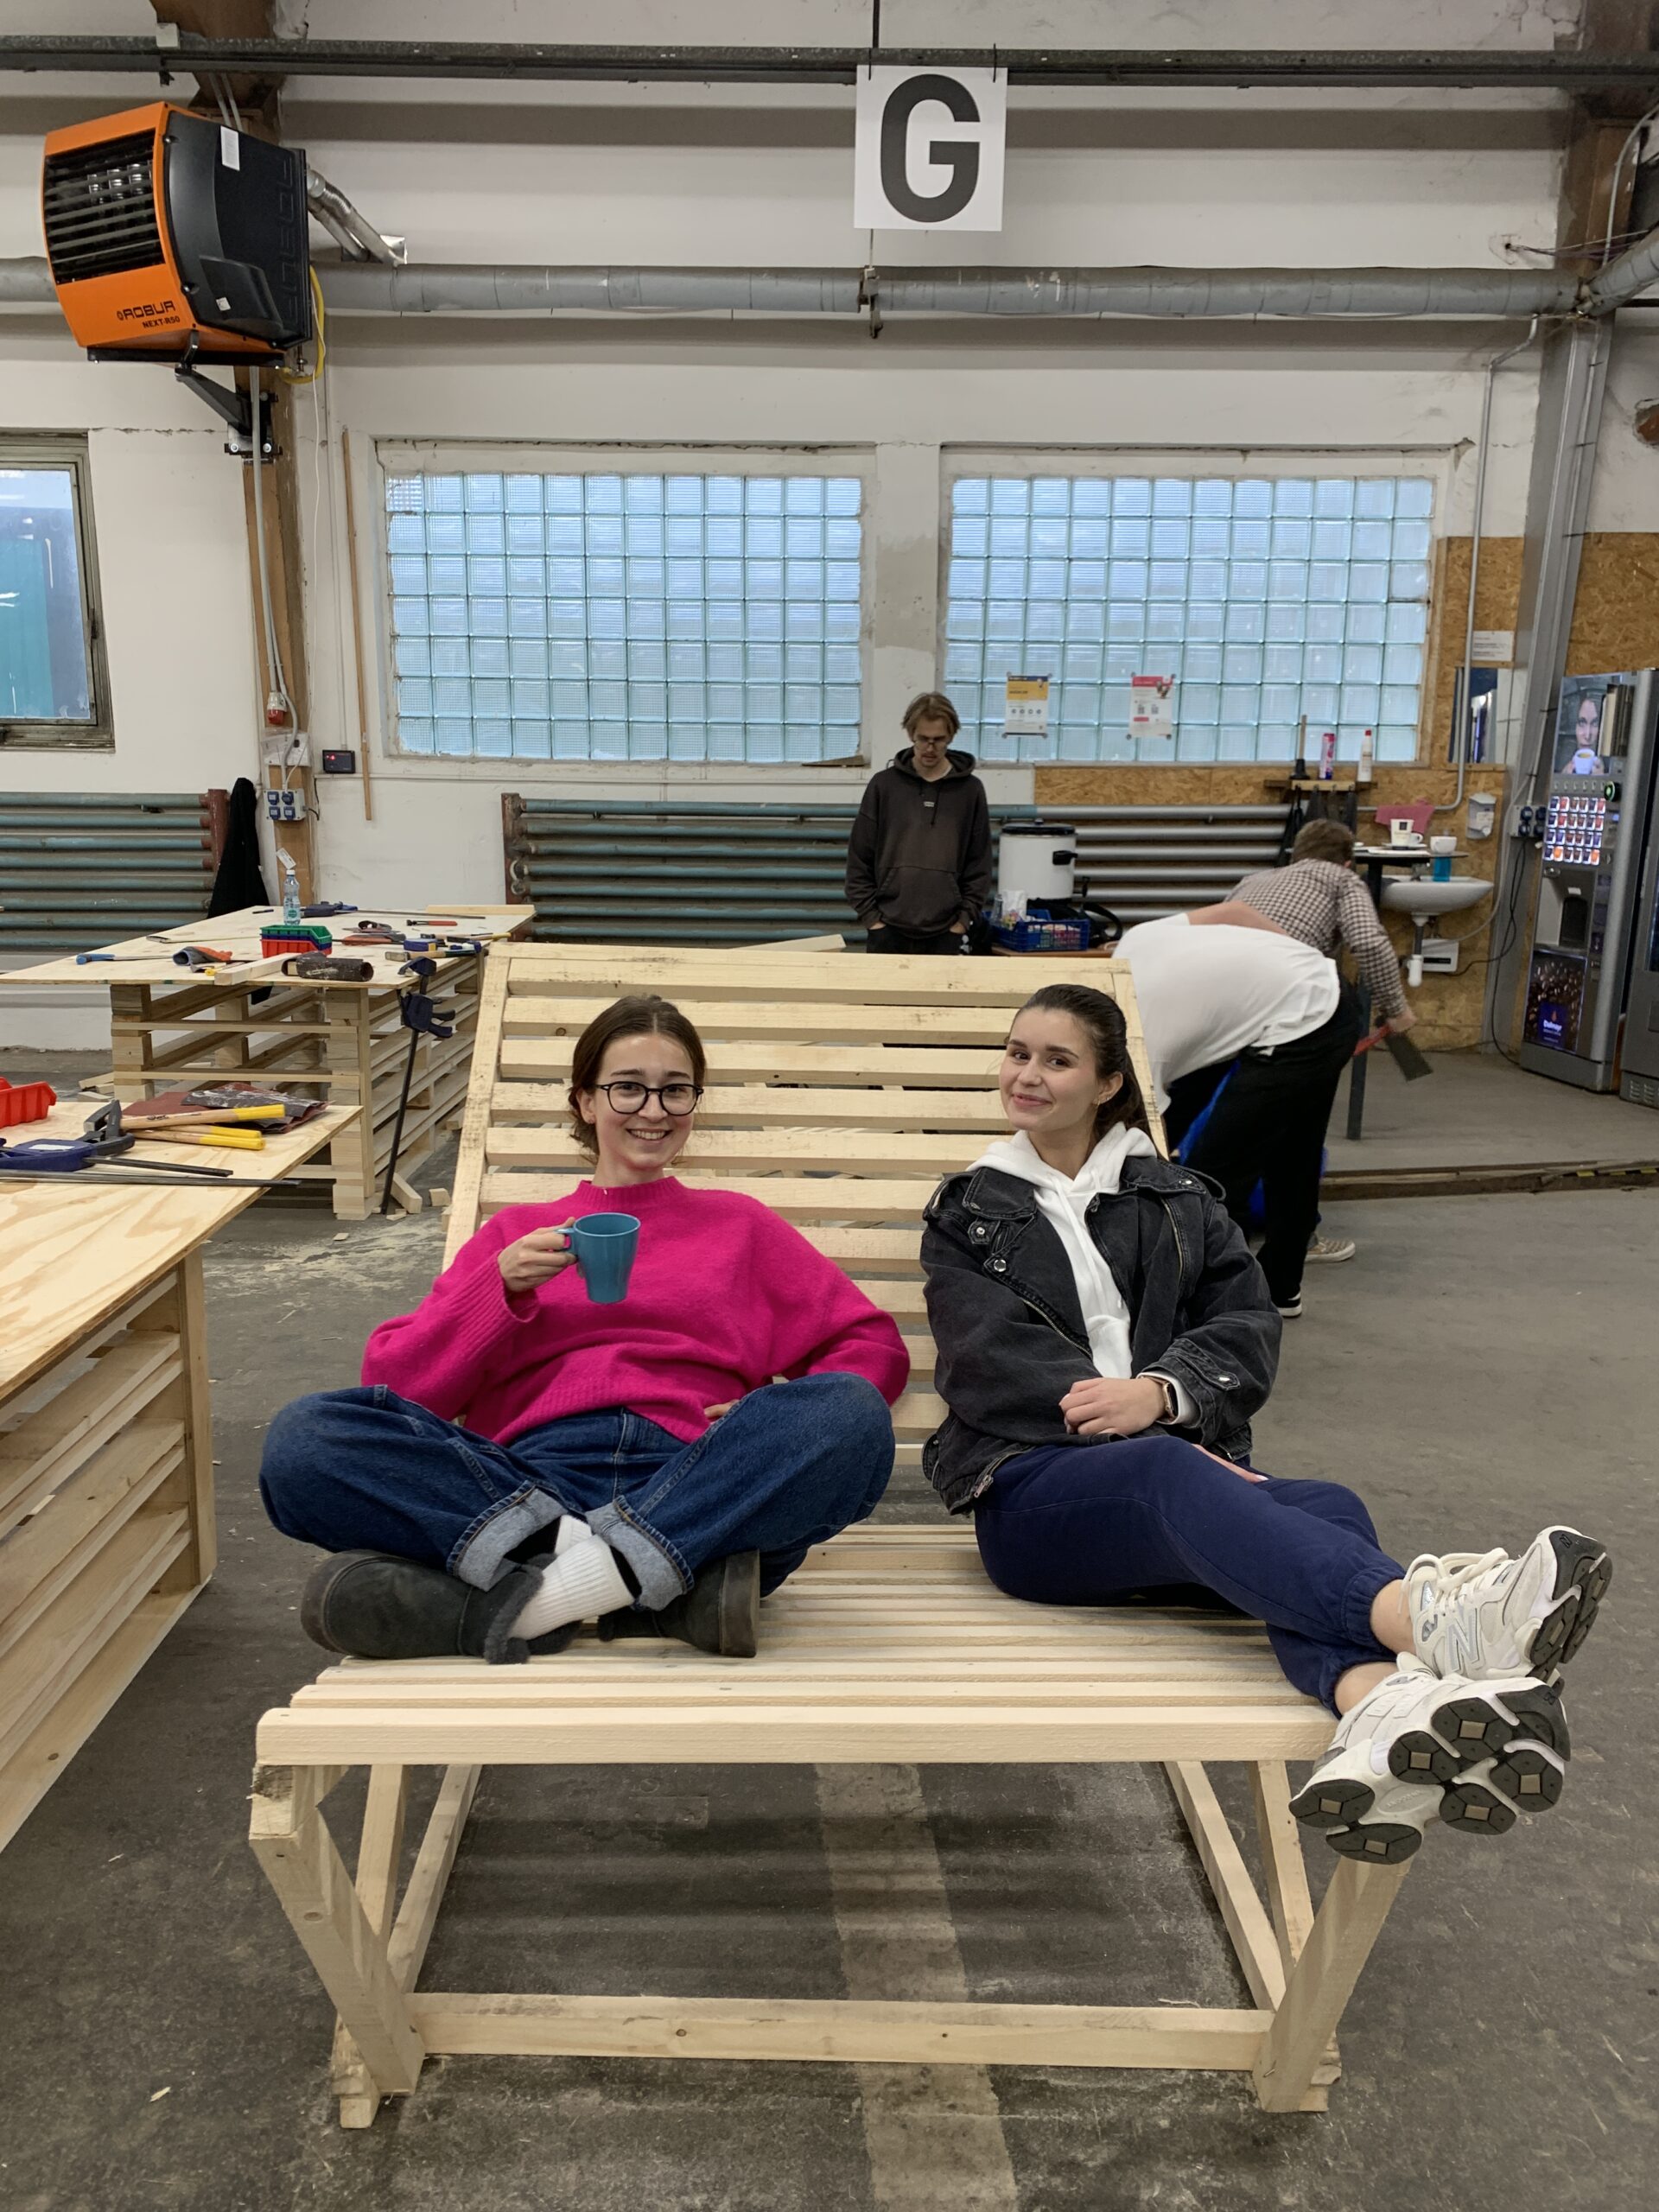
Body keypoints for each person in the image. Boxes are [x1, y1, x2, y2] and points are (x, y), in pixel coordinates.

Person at [921, 982, 1611, 1864]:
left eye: (1057, 1060)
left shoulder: (1178, 1200)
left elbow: (1247, 1324)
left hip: (1164, 1510)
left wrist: (1164, 1390)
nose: (1027, 1075)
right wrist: (1152, 1429)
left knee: (1326, 1505)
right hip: (1034, 1503)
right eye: (1018, 1053)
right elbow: (985, 1358)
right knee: (1167, 1473)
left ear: (1107, 1084)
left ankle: (1377, 1710)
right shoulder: (970, 1214)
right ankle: (1439, 1624)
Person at [259, 995, 908, 1664]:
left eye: (675, 1090)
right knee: (305, 1440)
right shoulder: (516, 1235)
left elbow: (869, 1345)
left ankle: (523, 1604)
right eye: (628, 1088)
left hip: (698, 1481)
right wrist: (497, 1288)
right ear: (585, 1102)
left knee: (849, 1412)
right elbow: (397, 1387)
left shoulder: (740, 1225)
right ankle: (653, 1589)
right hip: (524, 1487)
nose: (653, 1111)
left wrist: (763, 1414)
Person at [1115, 907, 1365, 1319]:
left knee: (1215, 1174)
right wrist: (1296, 962)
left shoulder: (1145, 1045)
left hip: (1305, 1019)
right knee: (1294, 1153)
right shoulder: (1134, 941)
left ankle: (1207, 1304)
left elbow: (1143, 1138)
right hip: (1293, 995)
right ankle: (1279, 1288)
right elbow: (1239, 912)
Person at [1230, 817, 1416, 1265]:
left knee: (1233, 1125)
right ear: (1348, 862)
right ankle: (1299, 1241)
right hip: (1292, 1016)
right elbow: (1369, 944)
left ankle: (1211, 1237)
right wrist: (1396, 1010)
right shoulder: (1341, 881)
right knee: (1298, 1131)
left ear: (1295, 855)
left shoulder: (1253, 880)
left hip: (1228, 1007)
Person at [845, 690, 993, 953]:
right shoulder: (884, 786)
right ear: (911, 734)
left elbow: (979, 863)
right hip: (887, 930)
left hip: (947, 932)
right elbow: (859, 858)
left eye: (939, 740)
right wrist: (872, 919)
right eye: (923, 739)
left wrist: (962, 921)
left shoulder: (970, 791)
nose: (930, 748)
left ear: (951, 736)